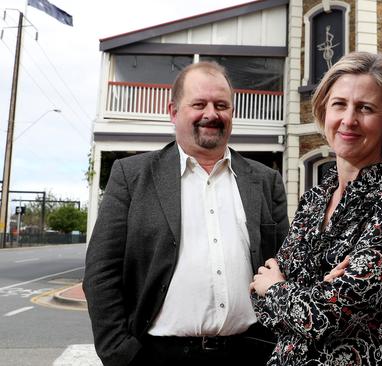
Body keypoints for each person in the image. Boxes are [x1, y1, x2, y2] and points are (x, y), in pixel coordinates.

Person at [83, 61, 289, 366]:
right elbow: (101, 272)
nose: (211, 114)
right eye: (199, 104)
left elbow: (286, 264)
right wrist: (122, 356)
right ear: (173, 111)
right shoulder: (132, 176)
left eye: (221, 105)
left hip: (250, 353)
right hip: (158, 357)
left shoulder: (265, 181)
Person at [250, 52, 382, 365]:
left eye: (365, 108)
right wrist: (307, 293)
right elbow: (257, 295)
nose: (349, 120)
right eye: (340, 104)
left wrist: (279, 288)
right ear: (325, 110)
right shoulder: (313, 201)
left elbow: (327, 315)